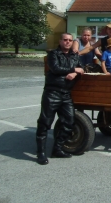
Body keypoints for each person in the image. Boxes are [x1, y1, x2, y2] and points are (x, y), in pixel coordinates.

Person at [34, 32, 82, 162]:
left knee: (69, 122)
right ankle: (41, 153)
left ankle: (57, 149)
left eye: (70, 40)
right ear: (60, 41)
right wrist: (73, 70)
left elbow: (82, 69)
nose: (67, 42)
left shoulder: (74, 55)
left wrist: (76, 73)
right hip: (52, 93)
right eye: (65, 40)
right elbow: (55, 68)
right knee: (45, 123)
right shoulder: (53, 54)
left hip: (66, 94)